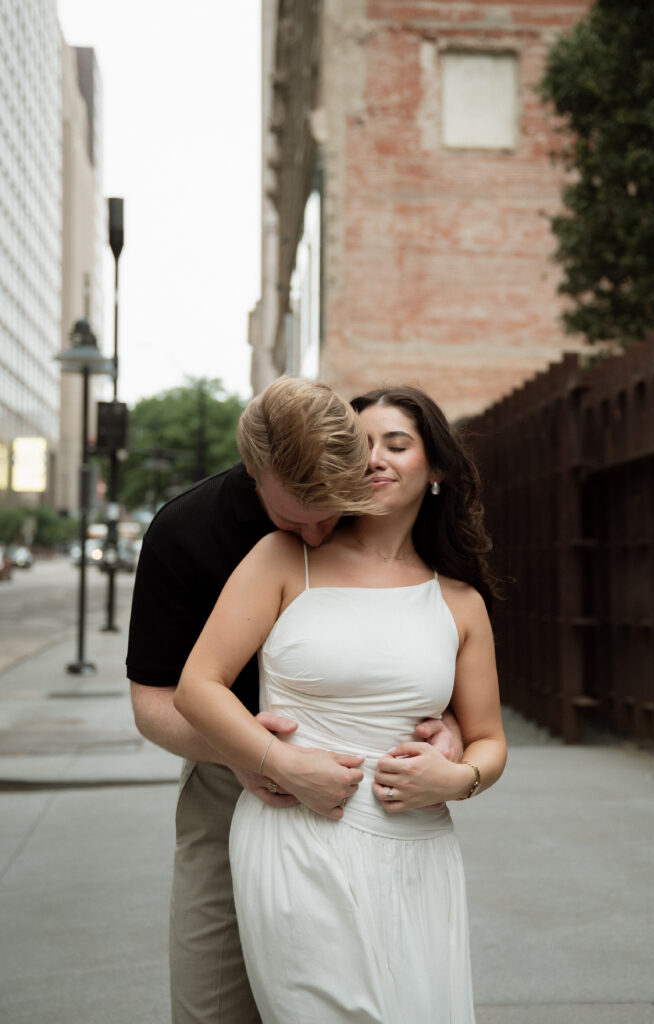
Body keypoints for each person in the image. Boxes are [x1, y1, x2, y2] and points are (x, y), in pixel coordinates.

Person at [126, 377, 463, 1024]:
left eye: (330, 517)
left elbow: (428, 616)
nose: (313, 538)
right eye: (290, 520)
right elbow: (154, 701)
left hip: (378, 794)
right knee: (212, 1004)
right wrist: (258, 755)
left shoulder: (373, 501)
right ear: (254, 473)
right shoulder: (185, 531)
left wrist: (445, 721)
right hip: (231, 781)